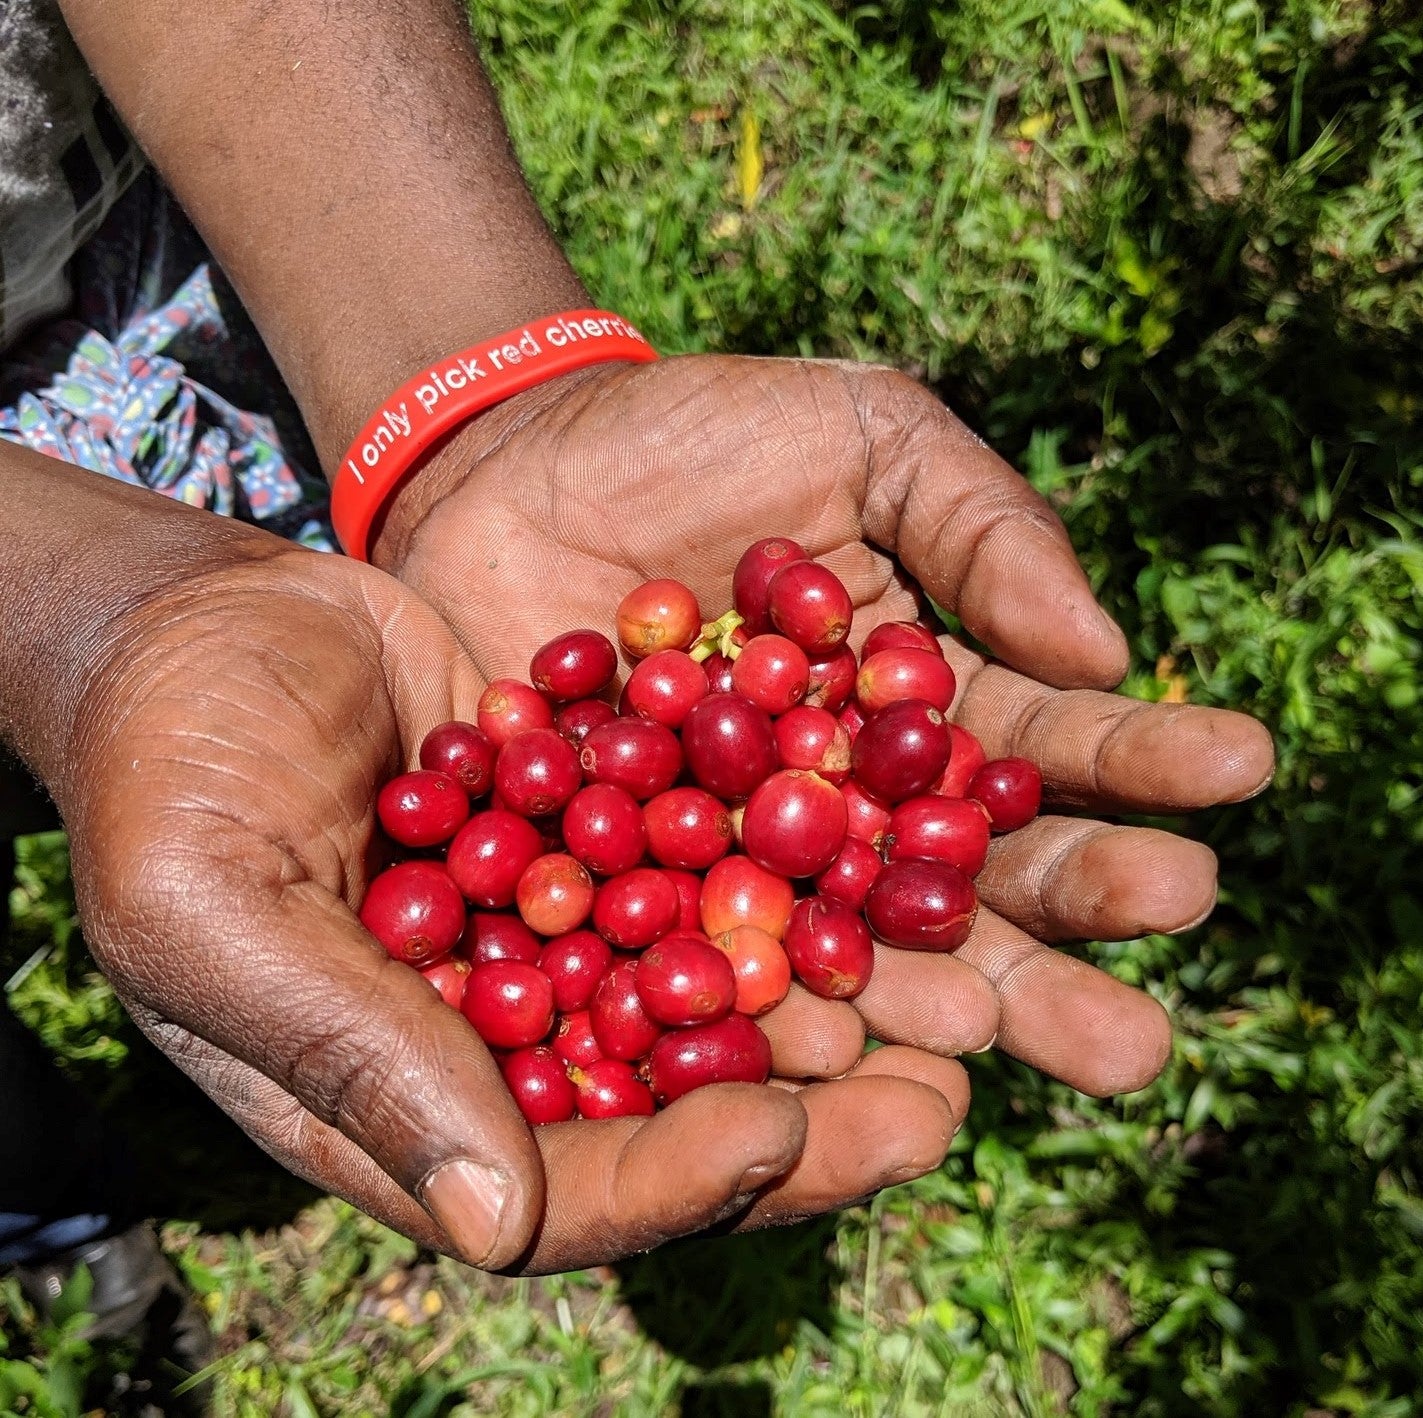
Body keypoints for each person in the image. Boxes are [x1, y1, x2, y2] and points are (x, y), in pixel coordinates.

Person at [0, 0, 1274, 1369]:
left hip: (176, 260)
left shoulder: (684, 772)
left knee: (339, 685)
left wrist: (465, 392)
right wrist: (77, 626)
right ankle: (48, 1211)